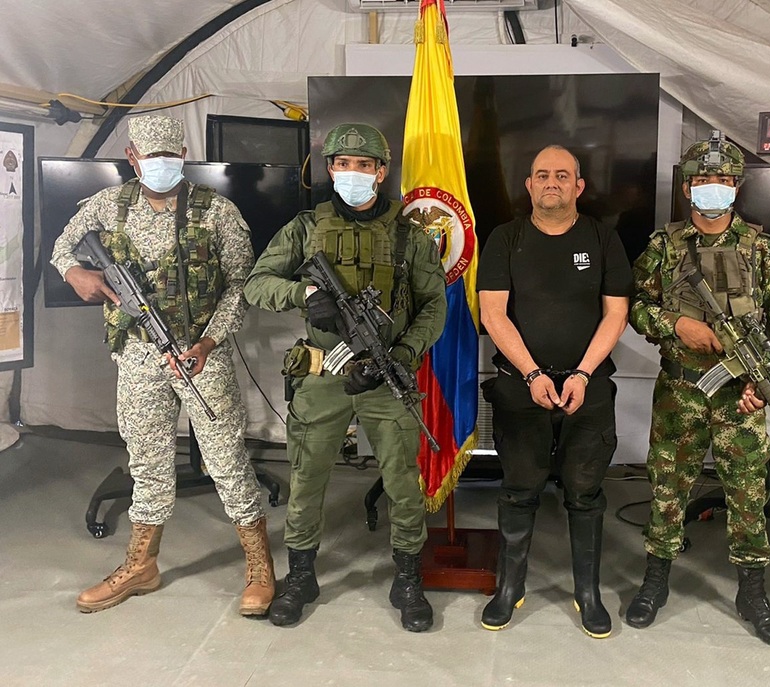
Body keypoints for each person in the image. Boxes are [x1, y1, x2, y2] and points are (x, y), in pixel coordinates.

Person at [51, 114, 273, 616]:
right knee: (147, 463)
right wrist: (74, 273)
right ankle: (141, 565)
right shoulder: (109, 205)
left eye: (171, 157)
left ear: (184, 157)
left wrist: (209, 341)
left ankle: (260, 566)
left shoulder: (217, 212)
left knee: (226, 460)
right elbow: (63, 247)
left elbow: (242, 286)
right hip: (137, 354)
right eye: (152, 158)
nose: (162, 165)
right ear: (133, 158)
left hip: (201, 356)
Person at [243, 123, 447, 632]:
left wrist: (403, 355)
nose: (353, 173)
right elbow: (256, 284)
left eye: (364, 165)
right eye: (343, 164)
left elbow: (434, 307)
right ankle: (301, 576)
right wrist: (304, 295)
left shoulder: (410, 235)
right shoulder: (304, 229)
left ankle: (408, 577)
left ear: (381, 171)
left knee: (403, 481)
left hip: (387, 373)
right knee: (307, 477)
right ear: (330, 169)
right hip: (322, 374)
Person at [627, 131, 770, 646]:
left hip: (739, 397)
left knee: (747, 493)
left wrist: (762, 385)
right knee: (667, 486)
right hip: (680, 391)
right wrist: (676, 324)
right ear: (687, 187)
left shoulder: (761, 250)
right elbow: (636, 307)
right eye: (702, 180)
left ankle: (752, 593)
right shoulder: (663, 247)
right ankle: (655, 581)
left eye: (722, 179)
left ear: (736, 186)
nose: (712, 188)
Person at [477, 145, 631, 638]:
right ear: (529, 185)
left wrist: (582, 374)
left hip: (588, 387)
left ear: (578, 186)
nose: (552, 182)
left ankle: (588, 593)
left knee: (585, 492)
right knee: (519, 489)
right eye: (542, 174)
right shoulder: (505, 238)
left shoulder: (603, 239)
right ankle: (509, 588)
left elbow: (616, 314)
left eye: (562, 176)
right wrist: (531, 375)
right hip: (521, 386)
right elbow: (492, 313)